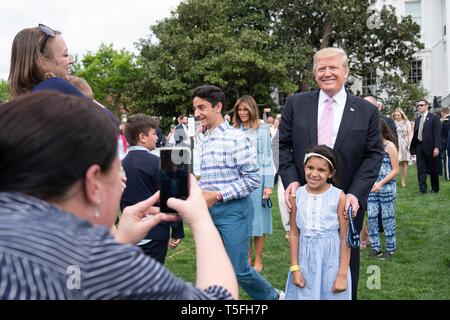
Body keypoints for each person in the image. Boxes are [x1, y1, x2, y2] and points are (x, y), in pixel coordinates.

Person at [0, 92, 238, 300]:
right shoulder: (92, 257)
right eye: (118, 170)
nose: (123, 179)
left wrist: (120, 241)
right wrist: (201, 221)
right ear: (93, 182)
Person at [278, 47, 384, 300]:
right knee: (304, 262)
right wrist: (292, 180)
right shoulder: (296, 103)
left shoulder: (366, 110)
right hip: (306, 200)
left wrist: (356, 195)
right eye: (321, 69)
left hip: (347, 202)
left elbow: (373, 155)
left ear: (346, 71)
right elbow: (283, 145)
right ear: (314, 74)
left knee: (346, 267)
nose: (327, 73)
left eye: (333, 67)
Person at [192, 84, 283, 300]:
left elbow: (252, 179)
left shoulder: (236, 138)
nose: (196, 114)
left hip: (234, 211)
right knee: (213, 267)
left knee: (239, 269)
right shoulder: (204, 138)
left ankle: (274, 297)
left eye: (202, 107)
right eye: (195, 108)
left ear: (218, 107)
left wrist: (217, 195)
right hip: (208, 213)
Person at [285, 145, 350, 300]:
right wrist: (295, 268)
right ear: (304, 167)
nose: (314, 174)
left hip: (331, 264)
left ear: (331, 173)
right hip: (304, 263)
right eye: (310, 168)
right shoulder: (296, 196)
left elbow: (344, 238)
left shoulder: (339, 197)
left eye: (321, 170)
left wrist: (342, 274)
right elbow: (294, 234)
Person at [120, 114, 184, 264]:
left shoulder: (120, 164)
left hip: (129, 231)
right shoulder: (160, 162)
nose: (157, 137)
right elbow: (170, 199)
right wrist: (177, 231)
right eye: (154, 133)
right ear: (142, 137)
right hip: (155, 231)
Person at [233, 95, 274, 273]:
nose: (242, 113)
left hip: (258, 182)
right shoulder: (233, 130)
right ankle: (247, 257)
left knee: (259, 222)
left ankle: (259, 259)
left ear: (252, 110)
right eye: (239, 110)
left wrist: (268, 185)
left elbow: (268, 158)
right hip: (239, 181)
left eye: (245, 109)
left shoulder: (263, 130)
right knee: (243, 221)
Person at [8, 24, 75, 98]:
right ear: (42, 61)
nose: (71, 61)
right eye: (65, 55)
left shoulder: (16, 106)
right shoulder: (57, 87)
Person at [367, 119, 399, 259]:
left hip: (386, 187)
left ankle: (390, 249)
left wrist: (381, 183)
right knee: (372, 216)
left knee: (387, 218)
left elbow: (395, 170)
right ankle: (375, 248)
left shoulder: (390, 146)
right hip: (371, 187)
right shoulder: (370, 147)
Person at [410, 100, 441, 194]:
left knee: (432, 169)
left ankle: (435, 189)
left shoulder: (434, 118)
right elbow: (416, 134)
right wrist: (413, 147)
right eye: (418, 105)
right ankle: (422, 189)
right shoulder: (418, 119)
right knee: (421, 169)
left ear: (427, 106)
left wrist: (437, 147)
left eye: (421, 105)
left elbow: (437, 134)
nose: (419, 107)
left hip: (431, 147)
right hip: (419, 147)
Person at [392, 108, 413, 187]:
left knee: (404, 163)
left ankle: (403, 180)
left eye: (398, 115)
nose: (397, 116)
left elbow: (410, 133)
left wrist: (409, 143)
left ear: (402, 115)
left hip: (404, 144)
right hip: (395, 144)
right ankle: (392, 179)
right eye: (396, 115)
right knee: (394, 162)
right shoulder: (392, 123)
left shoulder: (406, 122)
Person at [440, 107, 450, 180]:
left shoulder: (446, 121)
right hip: (446, 142)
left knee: (446, 161)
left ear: (443, 112)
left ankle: (448, 176)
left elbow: (445, 133)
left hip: (446, 144)